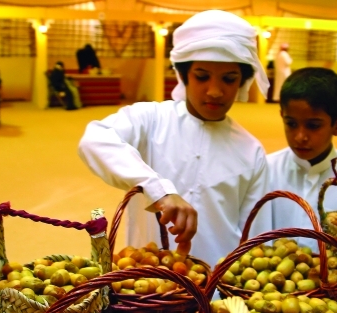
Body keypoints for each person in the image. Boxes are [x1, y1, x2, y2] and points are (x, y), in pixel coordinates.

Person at [78, 10, 271, 266]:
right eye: (202, 76)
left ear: (242, 81)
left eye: (229, 79)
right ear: (184, 75)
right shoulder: (150, 118)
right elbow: (94, 140)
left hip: (220, 291)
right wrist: (158, 191)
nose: (214, 91)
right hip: (148, 288)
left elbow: (257, 239)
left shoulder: (251, 151)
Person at [267, 67, 337, 251]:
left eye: (313, 126)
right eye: (291, 124)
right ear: (282, 116)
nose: (300, 136)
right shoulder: (266, 169)